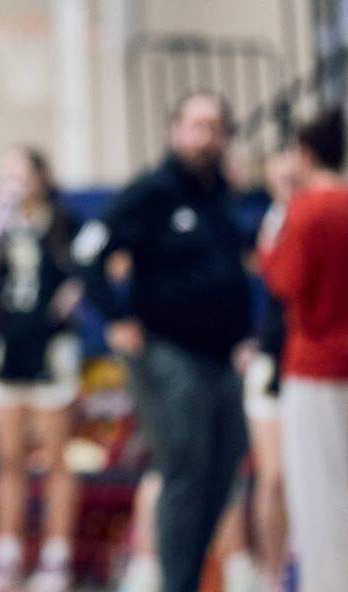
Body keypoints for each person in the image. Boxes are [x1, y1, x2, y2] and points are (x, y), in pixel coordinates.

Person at [73, 91, 254, 592]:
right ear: (175, 131)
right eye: (195, 125)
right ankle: (176, 583)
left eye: (214, 127)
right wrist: (115, 316)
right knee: (183, 470)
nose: (204, 137)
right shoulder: (151, 192)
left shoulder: (222, 197)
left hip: (223, 358)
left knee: (223, 471)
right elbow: (87, 252)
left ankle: (191, 575)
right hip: (169, 354)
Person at [0, 147, 82, 592]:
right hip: (6, 347)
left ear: (41, 177)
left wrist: (74, 294)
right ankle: (7, 550)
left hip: (51, 348)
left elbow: (99, 268)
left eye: (21, 173)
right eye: (6, 173)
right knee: (7, 457)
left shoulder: (63, 223)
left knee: (56, 456)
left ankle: (56, 556)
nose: (13, 182)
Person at [259, 107, 348, 592]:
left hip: (315, 365)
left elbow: (284, 280)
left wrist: (269, 244)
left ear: (306, 154)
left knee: (319, 492)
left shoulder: (307, 210)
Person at [244, 151, 298, 592]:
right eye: (280, 178)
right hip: (270, 362)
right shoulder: (256, 224)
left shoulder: (321, 221)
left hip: (311, 366)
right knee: (273, 474)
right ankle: (272, 574)